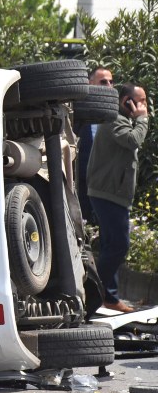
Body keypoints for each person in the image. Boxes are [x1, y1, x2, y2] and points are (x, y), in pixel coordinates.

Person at [87, 82, 149, 313]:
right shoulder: (114, 119)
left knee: (111, 245)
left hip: (113, 192)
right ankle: (96, 293)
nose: (144, 106)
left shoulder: (123, 120)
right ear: (126, 101)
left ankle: (107, 296)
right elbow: (133, 140)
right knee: (119, 246)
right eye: (139, 100)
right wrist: (142, 120)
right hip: (107, 193)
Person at [76, 66, 114, 224]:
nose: (109, 86)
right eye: (103, 82)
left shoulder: (115, 115)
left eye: (111, 82)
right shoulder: (78, 112)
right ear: (90, 83)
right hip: (84, 178)